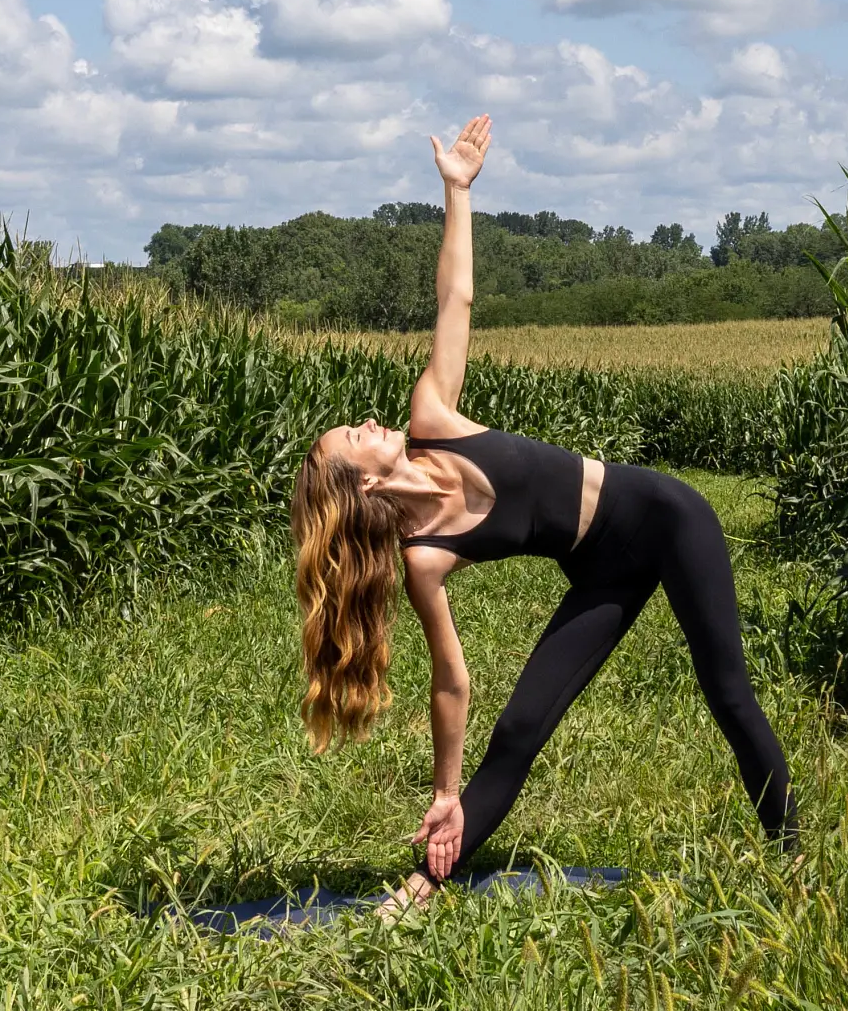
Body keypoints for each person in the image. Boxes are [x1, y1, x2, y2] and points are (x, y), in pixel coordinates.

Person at [288, 114, 796, 914]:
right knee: (519, 732)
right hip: (601, 571)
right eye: (356, 436)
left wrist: (456, 193)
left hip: (667, 517)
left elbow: (455, 296)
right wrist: (446, 789)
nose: (369, 422)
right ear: (360, 486)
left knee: (728, 695)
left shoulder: (432, 416)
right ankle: (421, 890)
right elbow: (451, 682)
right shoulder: (423, 556)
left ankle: (797, 867)